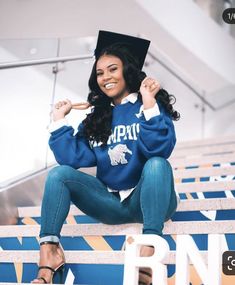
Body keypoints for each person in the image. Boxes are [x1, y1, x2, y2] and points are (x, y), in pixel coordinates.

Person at [32, 30, 180, 284]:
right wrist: (59, 120)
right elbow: (73, 158)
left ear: (128, 71)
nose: (105, 78)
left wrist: (147, 104)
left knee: (157, 165)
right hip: (110, 204)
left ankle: (149, 247)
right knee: (58, 175)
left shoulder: (149, 105)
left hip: (151, 201)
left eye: (113, 69)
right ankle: (50, 251)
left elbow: (159, 149)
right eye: (100, 73)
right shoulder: (98, 118)